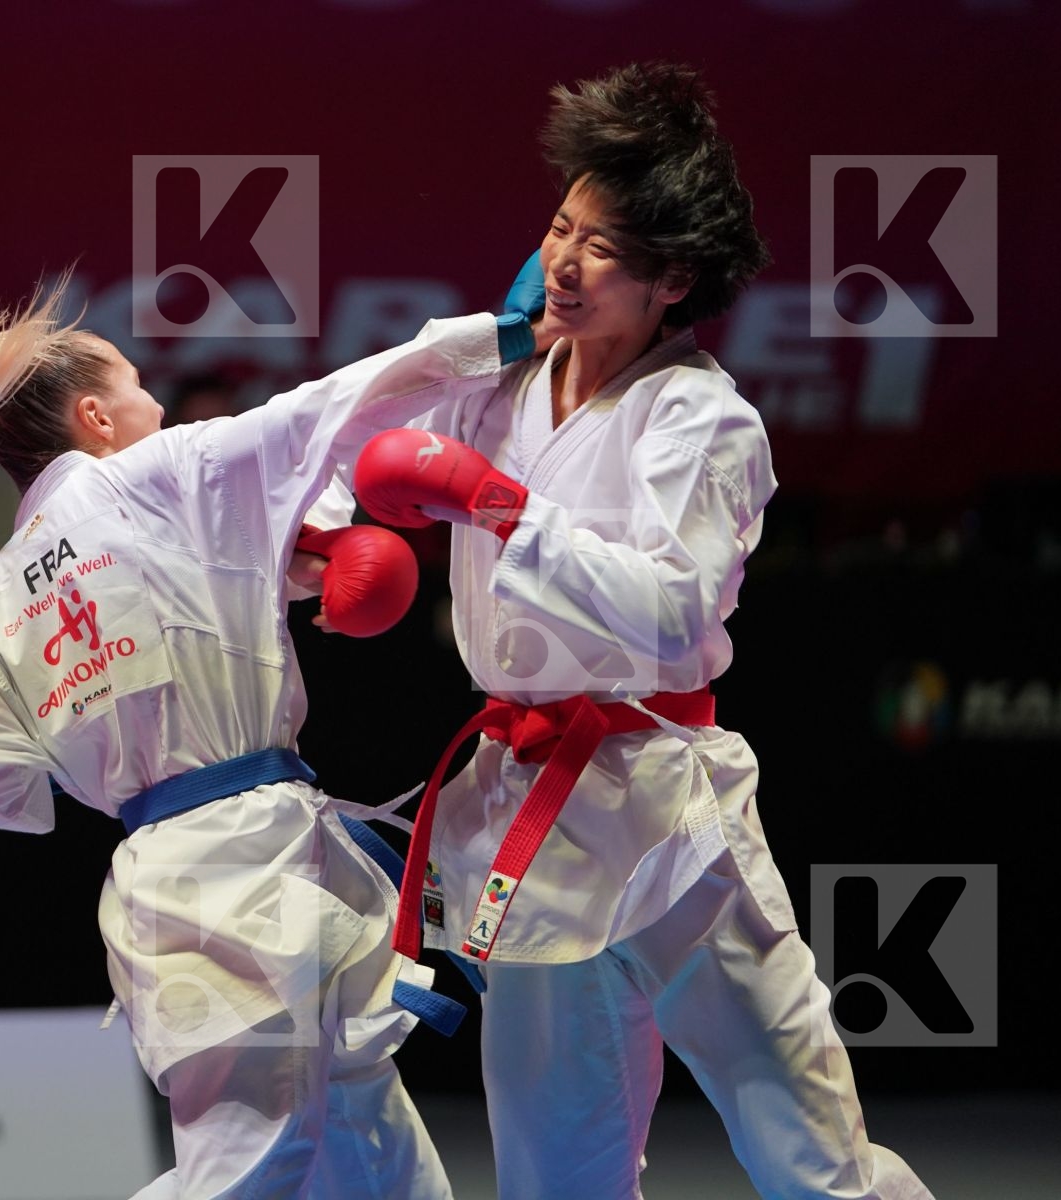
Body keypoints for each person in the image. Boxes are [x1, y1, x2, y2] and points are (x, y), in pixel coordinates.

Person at [354, 63, 934, 1199]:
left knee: (808, 1152)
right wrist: (337, 533)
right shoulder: (498, 386)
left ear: (672, 278)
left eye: (603, 245)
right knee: (552, 1171)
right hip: (528, 808)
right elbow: (356, 432)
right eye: (559, 226)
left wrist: (498, 505)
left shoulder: (702, 419)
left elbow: (675, 605)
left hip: (665, 811)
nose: (565, 258)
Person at [0, 280, 531, 1198]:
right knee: (249, 1168)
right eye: (138, 384)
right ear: (96, 418)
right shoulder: (164, 470)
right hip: (243, 864)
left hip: (174, 867)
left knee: (373, 1152)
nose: (156, 400)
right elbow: (346, 399)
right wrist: (510, 335)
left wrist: (79, 784)